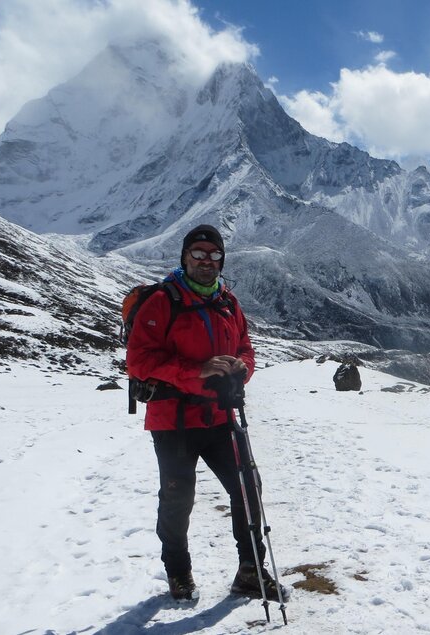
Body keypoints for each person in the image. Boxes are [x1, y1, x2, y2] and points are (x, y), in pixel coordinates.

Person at [126, 224, 282, 602]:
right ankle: (178, 572)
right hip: (173, 420)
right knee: (178, 497)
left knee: (247, 487)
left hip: (220, 415)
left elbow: (245, 347)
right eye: (198, 253)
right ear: (184, 257)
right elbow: (139, 360)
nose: (206, 261)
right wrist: (197, 374)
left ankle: (250, 570)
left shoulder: (227, 301)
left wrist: (241, 369)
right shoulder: (162, 301)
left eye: (213, 255)